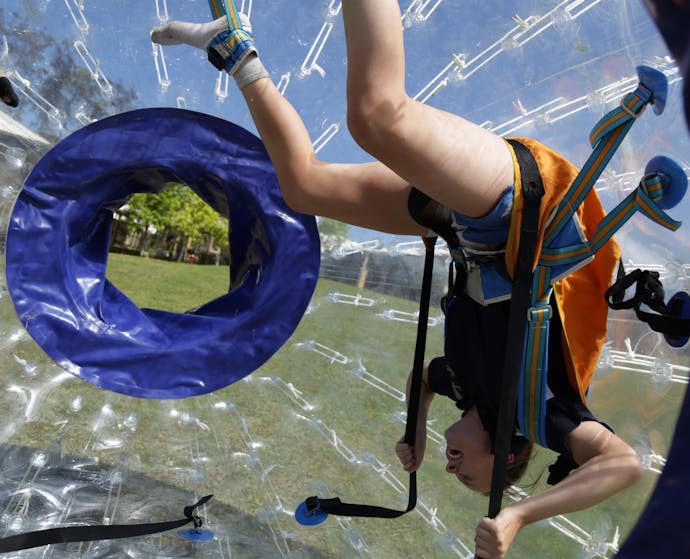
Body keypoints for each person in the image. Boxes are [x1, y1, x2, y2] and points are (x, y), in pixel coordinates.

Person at [151, 2, 643, 557]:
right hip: (525, 209)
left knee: (304, 187)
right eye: (471, 477)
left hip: (466, 227)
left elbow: (422, 377)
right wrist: (518, 516)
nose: (454, 471)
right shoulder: (541, 415)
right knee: (377, 116)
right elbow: (623, 464)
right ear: (505, 456)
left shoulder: (463, 386)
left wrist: (417, 422)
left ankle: (235, 50)